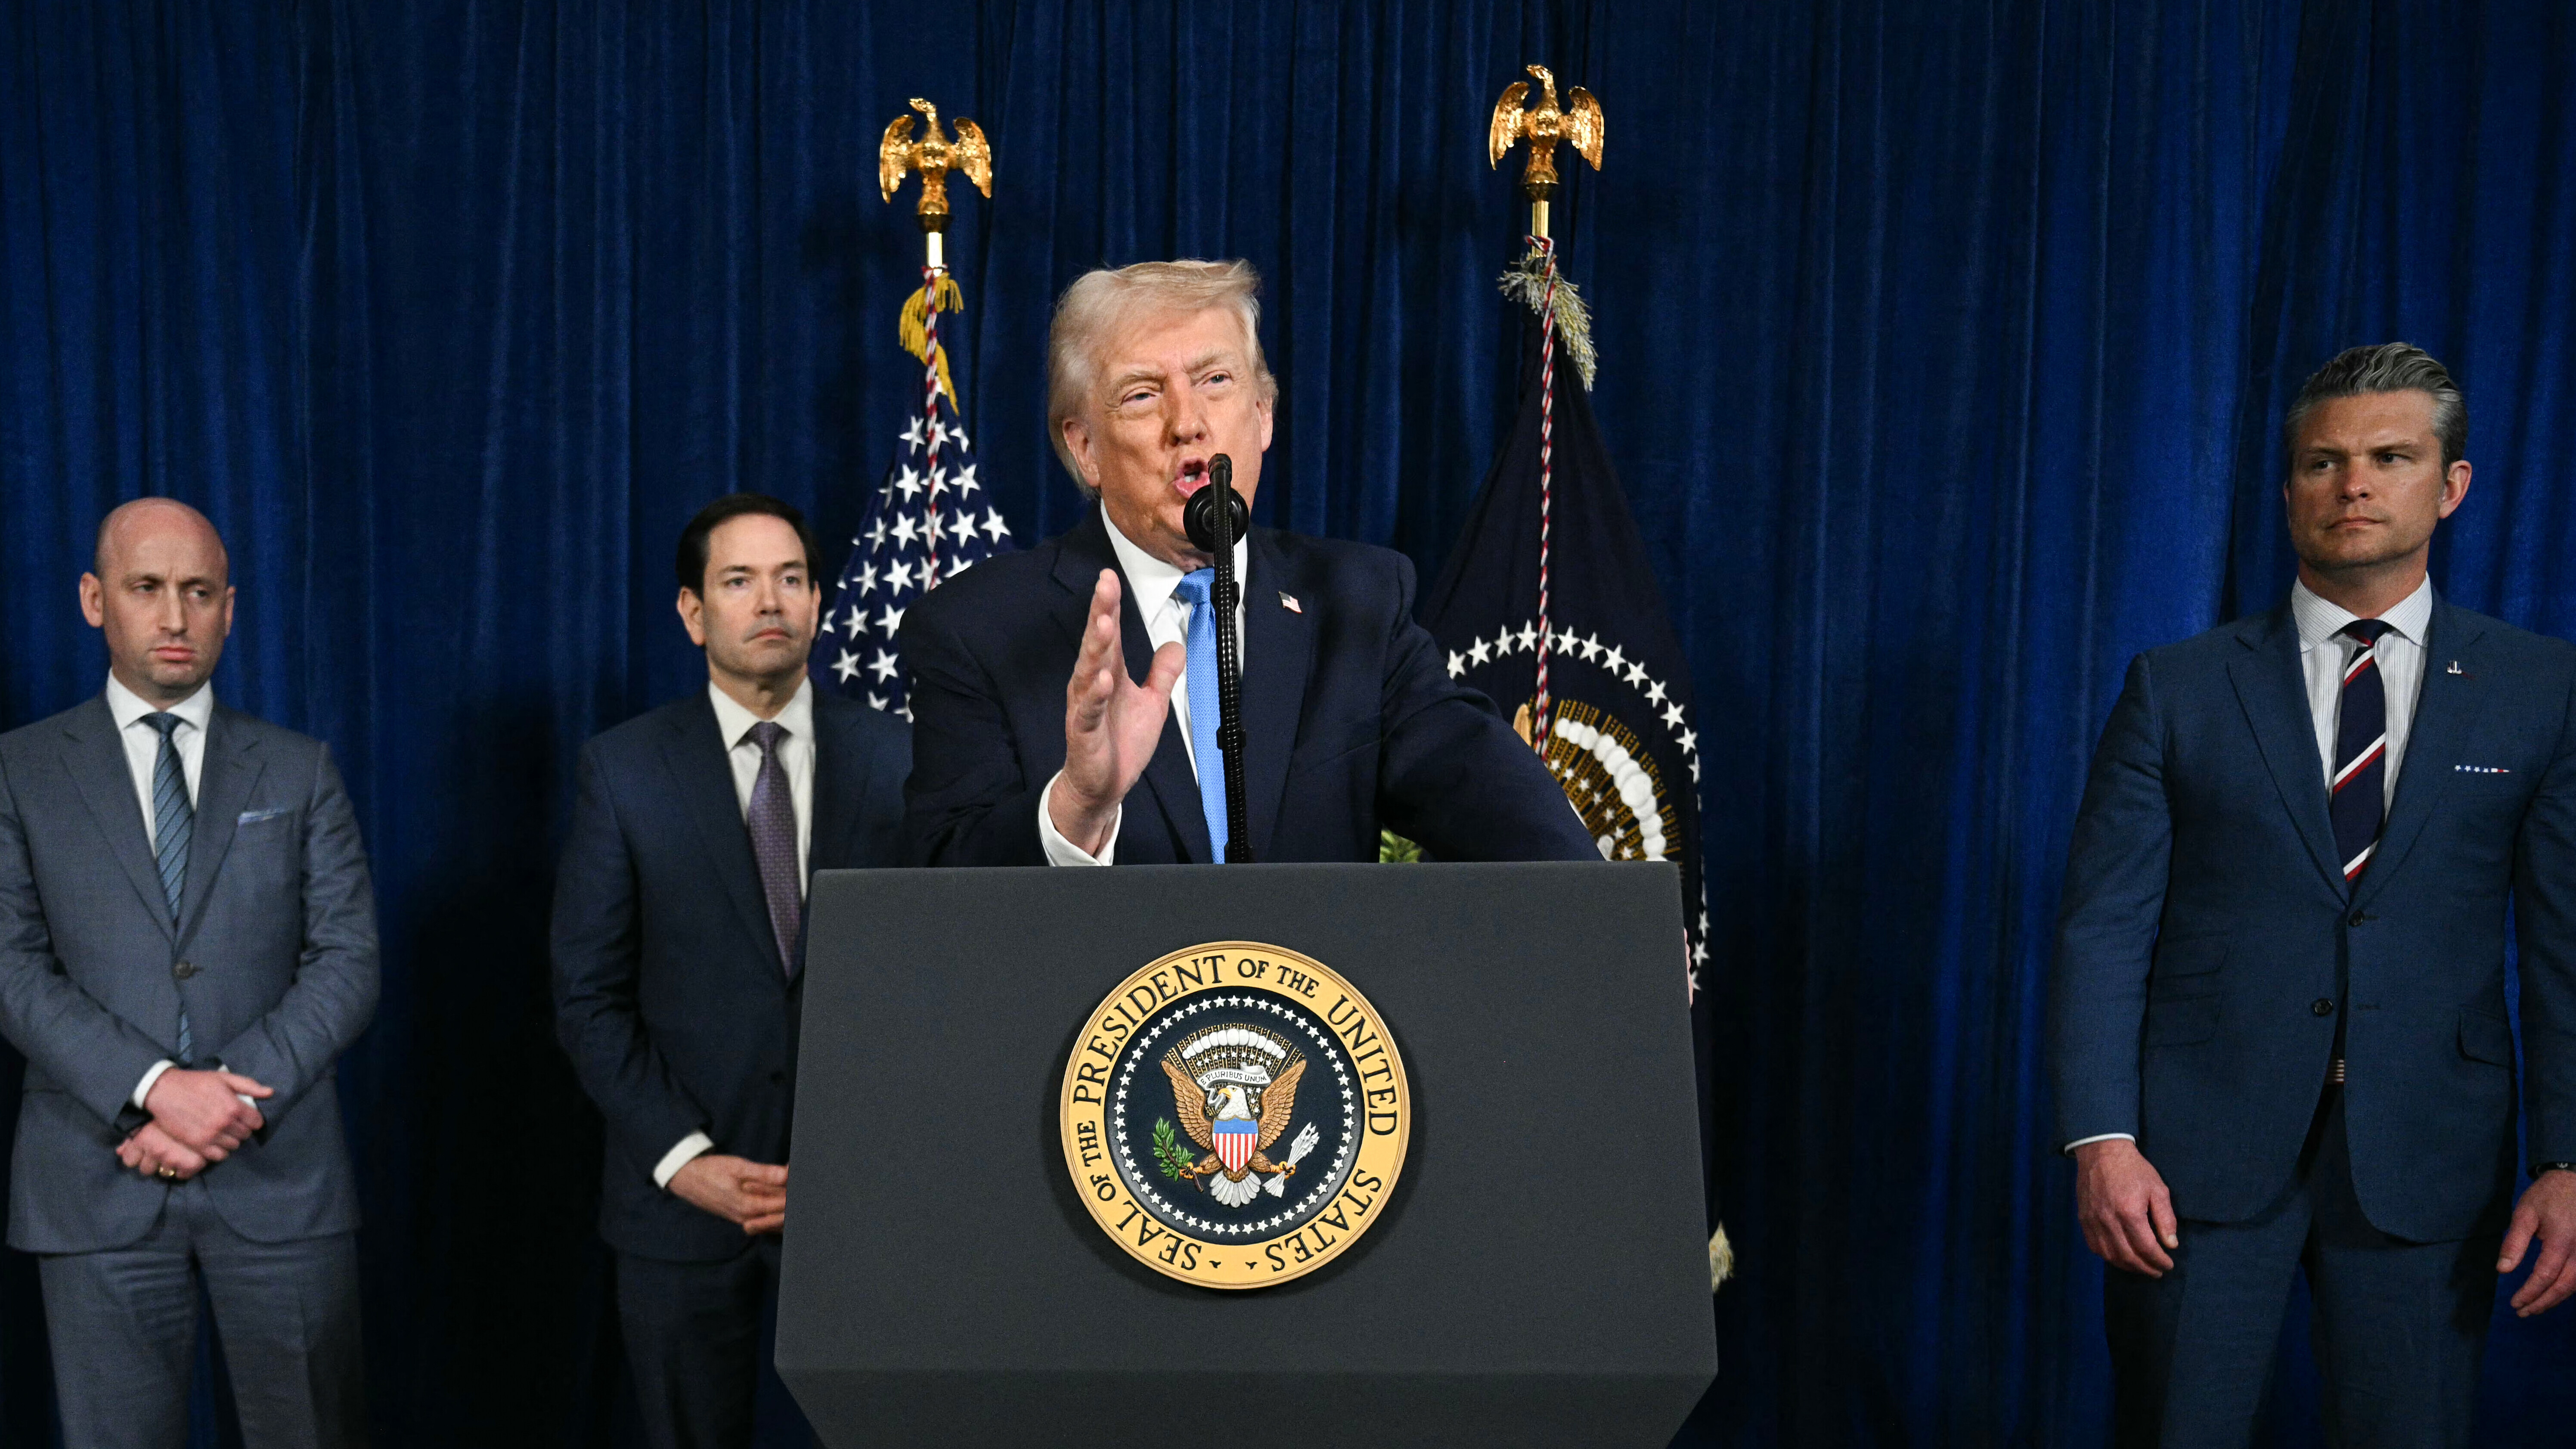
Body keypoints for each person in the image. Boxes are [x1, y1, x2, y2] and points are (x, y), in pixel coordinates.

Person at [2049, 343, 2576, 1446]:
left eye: (2391, 458)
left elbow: (2561, 947)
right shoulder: (2177, 687)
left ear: (2451, 485)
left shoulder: (2541, 688)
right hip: (2189, 1162)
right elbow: (2104, 931)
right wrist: (2100, 1139)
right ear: (2289, 486)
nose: (2353, 485)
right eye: (2322, 462)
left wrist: (2566, 1160)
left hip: (2429, 1156)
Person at [901, 259, 1594, 868]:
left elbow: (1502, 809)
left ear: (1263, 414)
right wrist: (1078, 806)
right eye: (1143, 394)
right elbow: (939, 897)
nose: (1188, 423)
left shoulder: (1358, 604)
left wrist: (1616, 922)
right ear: (1084, 448)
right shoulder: (982, 630)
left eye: (1216, 380)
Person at [0, 498, 378, 1447]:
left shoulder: (299, 769)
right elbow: (10, 965)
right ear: (95, 600)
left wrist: (226, 1100)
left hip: (282, 1183)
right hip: (94, 1183)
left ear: (230, 609)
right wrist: (157, 1089)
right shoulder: (19, 769)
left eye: (199, 592)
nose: (175, 616)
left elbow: (347, 961)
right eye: (147, 588)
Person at [551, 493, 908, 1449]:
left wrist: (858, 1158)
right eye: (740, 580)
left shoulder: (900, 759)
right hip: (680, 1213)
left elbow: (935, 988)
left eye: (791, 579)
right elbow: (588, 999)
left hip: (861, 1211)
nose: (771, 602)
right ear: (692, 611)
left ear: (820, 601)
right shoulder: (623, 772)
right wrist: (687, 1160)